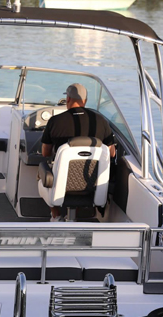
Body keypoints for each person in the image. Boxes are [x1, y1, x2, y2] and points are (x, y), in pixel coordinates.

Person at [41, 83, 116, 221]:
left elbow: (45, 153)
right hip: (92, 184)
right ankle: (82, 213)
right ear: (85, 101)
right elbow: (111, 153)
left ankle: (56, 215)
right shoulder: (101, 121)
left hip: (61, 183)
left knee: (42, 173)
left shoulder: (55, 121)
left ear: (68, 99)